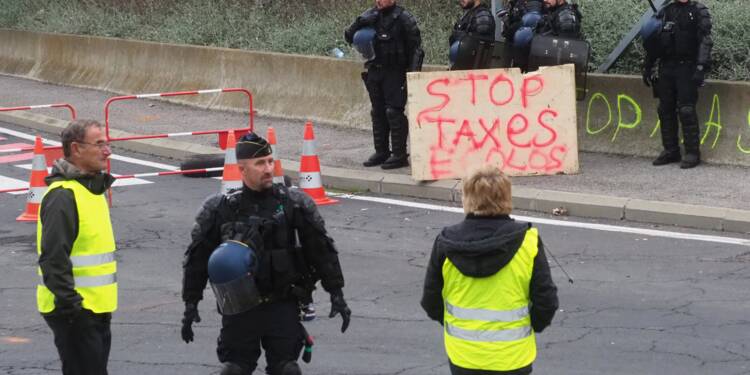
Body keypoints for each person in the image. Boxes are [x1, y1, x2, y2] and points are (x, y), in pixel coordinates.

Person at [180, 132, 351, 375]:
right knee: (233, 370)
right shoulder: (220, 209)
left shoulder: (293, 203)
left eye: (270, 161)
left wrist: (336, 292)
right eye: (260, 163)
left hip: (282, 302)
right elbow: (196, 260)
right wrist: (190, 304)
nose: (268, 168)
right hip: (239, 309)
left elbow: (320, 248)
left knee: (288, 370)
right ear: (242, 169)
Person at [420, 165, 559, 375]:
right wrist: (533, 327)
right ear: (506, 197)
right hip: (513, 356)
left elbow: (431, 301)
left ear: (467, 197)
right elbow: (546, 300)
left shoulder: (446, 243)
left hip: (464, 355)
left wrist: (456, 326)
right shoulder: (527, 241)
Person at [37, 119, 117, 375]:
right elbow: (53, 259)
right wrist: (74, 308)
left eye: (107, 143)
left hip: (96, 308)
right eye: (99, 144)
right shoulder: (63, 195)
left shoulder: (92, 190)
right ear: (77, 149)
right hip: (75, 311)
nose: (107, 151)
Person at [344, 0, 424, 169]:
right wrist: (360, 21)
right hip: (375, 71)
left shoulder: (404, 18)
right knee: (377, 112)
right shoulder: (371, 15)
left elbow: (416, 49)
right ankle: (381, 151)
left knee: (393, 112)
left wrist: (413, 75)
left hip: (395, 72)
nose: (378, 1)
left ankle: (399, 154)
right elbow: (349, 36)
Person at [642, 0, 713, 169]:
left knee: (686, 109)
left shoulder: (699, 10)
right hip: (666, 66)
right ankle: (671, 150)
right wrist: (648, 65)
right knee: (665, 109)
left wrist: (701, 67)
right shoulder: (665, 11)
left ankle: (692, 153)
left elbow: (706, 41)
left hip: (686, 67)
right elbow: (654, 42)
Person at [449, 0, 496, 70]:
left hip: (474, 72)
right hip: (462, 69)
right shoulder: (469, 14)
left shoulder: (483, 15)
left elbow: (481, 43)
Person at [498, 0, 544, 71]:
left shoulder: (532, 4)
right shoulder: (514, 3)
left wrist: (510, 25)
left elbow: (529, 22)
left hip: (522, 47)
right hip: (511, 43)